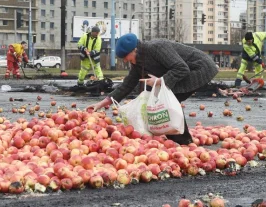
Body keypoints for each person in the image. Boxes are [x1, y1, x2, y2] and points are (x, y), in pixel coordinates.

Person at [86, 33, 218, 145]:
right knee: (162, 100)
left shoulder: (156, 48)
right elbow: (126, 85)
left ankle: (183, 142)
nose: (125, 60)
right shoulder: (138, 62)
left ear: (134, 50)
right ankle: (180, 139)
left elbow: (181, 68)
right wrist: (101, 103)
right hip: (185, 70)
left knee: (166, 102)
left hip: (199, 68)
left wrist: (160, 81)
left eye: (126, 57)